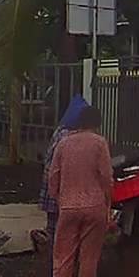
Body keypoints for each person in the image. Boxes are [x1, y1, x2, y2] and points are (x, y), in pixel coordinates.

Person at [48, 105, 112, 277]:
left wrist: (60, 199)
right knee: (89, 259)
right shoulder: (99, 143)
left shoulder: (63, 144)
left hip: (68, 207)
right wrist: (108, 203)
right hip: (95, 207)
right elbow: (106, 177)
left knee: (63, 257)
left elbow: (53, 177)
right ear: (97, 123)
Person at [39, 95, 88, 265]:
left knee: (57, 232)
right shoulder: (70, 137)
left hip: (54, 191)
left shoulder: (60, 132)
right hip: (62, 192)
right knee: (65, 233)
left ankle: (58, 265)